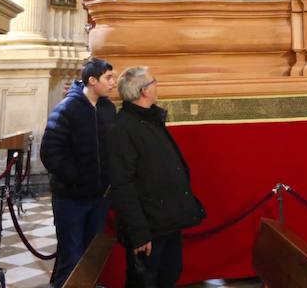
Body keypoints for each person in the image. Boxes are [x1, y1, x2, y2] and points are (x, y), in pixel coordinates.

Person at [107, 67, 206, 288]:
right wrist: (139, 233)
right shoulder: (122, 128)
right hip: (148, 227)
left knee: (170, 273)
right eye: (154, 82)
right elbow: (122, 185)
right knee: (145, 280)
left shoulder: (151, 119)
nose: (157, 85)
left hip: (166, 220)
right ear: (144, 91)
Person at [40, 57, 117, 288]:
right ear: (92, 80)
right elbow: (50, 153)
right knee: (71, 254)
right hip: (71, 198)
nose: (114, 82)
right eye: (109, 78)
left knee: (90, 254)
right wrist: (76, 179)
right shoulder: (67, 108)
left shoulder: (107, 108)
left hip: (99, 196)